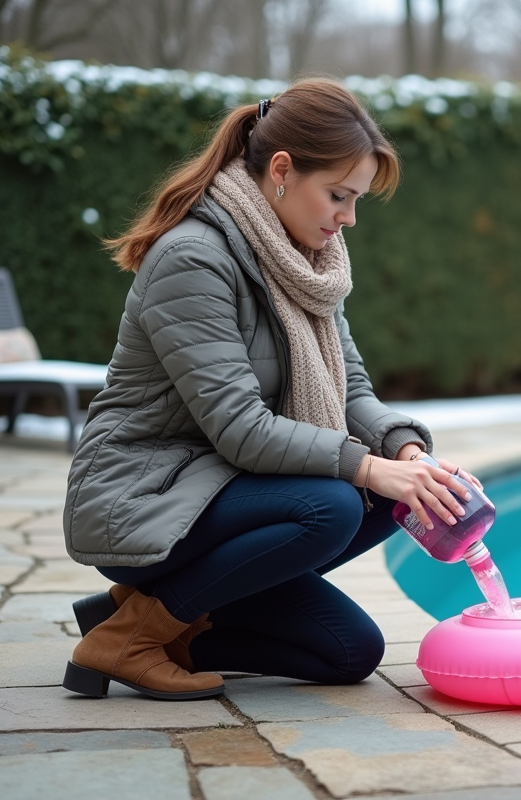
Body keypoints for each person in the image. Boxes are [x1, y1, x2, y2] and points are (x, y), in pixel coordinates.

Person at [61, 78, 480, 700]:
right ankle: (130, 637)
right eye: (338, 196)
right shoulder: (192, 258)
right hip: (144, 497)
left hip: (224, 491)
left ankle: (145, 611)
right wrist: (365, 469)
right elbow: (240, 428)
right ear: (281, 170)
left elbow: (351, 392)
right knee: (333, 504)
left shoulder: (306, 264)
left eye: (357, 200)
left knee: (351, 649)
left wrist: (406, 456)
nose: (348, 218)